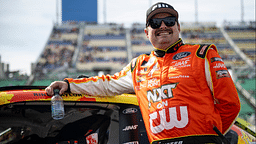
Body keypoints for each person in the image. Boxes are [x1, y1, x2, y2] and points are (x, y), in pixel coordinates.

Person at [46, 2, 240, 144]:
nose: (163, 26)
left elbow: (230, 105)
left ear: (178, 27)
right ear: (147, 32)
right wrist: (70, 85)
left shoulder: (202, 54)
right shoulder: (139, 66)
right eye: (155, 23)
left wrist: (209, 136)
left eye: (169, 20)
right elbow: (107, 83)